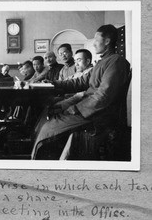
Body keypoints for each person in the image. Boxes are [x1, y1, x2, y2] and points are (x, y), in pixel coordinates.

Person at [31, 24, 130, 160]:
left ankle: (41, 163)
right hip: (89, 110)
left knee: (49, 127)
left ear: (107, 41)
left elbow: (104, 95)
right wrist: (53, 83)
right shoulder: (103, 62)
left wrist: (76, 108)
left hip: (97, 114)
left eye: (96, 40)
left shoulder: (116, 62)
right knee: (46, 116)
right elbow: (80, 82)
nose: (93, 44)